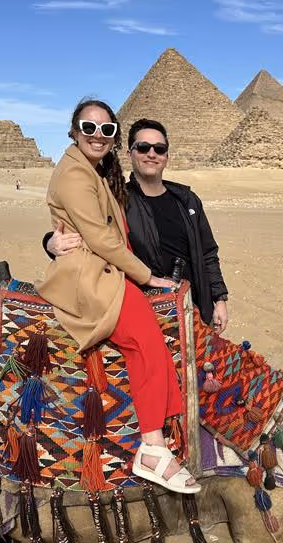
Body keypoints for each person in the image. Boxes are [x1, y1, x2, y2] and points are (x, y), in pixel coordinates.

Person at [35, 99, 199, 494]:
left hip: (102, 268)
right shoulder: (75, 174)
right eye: (88, 128)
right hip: (90, 275)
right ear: (74, 131)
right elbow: (97, 236)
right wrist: (147, 276)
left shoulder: (99, 173)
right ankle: (153, 450)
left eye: (106, 130)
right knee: (143, 337)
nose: (97, 136)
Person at [46, 118, 229, 333]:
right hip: (144, 310)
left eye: (159, 149)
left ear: (167, 157)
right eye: (143, 148)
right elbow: (90, 234)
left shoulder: (188, 200)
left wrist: (219, 299)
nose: (151, 154)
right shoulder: (115, 201)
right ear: (129, 154)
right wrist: (50, 242)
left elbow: (208, 253)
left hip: (195, 305)